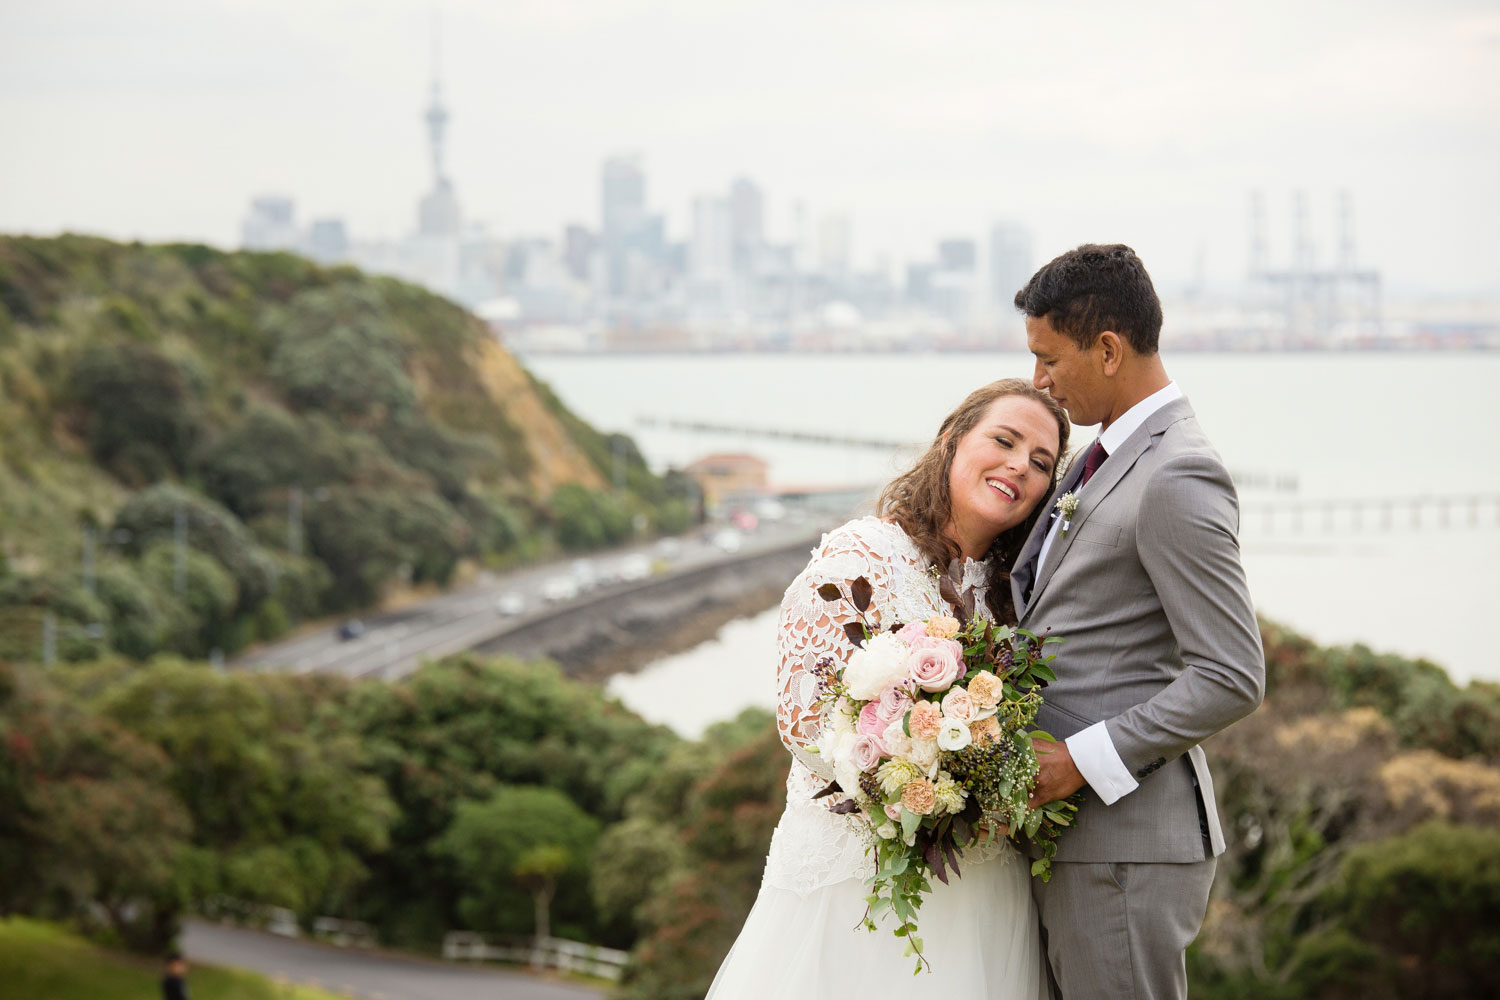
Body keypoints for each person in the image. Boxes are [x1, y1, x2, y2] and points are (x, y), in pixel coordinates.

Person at [705, 378, 1069, 998]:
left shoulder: (1018, 599)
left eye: (1041, 463)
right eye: (1004, 441)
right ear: (952, 441)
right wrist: (916, 781)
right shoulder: (865, 555)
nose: (1019, 467)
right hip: (855, 884)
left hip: (982, 889)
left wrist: (977, 781)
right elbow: (802, 718)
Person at [1010, 244, 1264, 999]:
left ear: (1110, 350)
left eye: (1048, 359)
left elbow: (1232, 675)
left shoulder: (1176, 473)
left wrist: (1077, 762)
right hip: (1082, 845)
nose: (1038, 382)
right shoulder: (1103, 456)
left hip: (1125, 848)